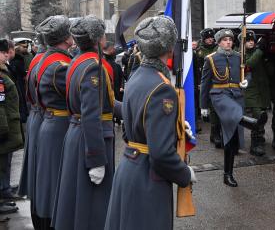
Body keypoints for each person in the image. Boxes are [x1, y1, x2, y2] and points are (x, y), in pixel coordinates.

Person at [104, 16, 196, 230]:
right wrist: (184, 173)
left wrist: (175, 127)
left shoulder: (136, 76)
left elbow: (131, 127)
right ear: (169, 46)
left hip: (130, 166)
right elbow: (161, 154)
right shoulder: (162, 88)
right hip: (147, 178)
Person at [52, 16, 117, 230]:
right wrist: (96, 159)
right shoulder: (93, 67)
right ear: (98, 39)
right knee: (93, 209)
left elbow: (106, 102)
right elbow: (91, 115)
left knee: (79, 204)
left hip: (78, 133)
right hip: (90, 140)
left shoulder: (77, 61)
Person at [200, 29, 266, 187]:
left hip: (236, 95)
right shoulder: (211, 59)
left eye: (230, 39)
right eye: (224, 40)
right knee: (233, 112)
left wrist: (246, 81)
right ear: (218, 42)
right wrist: (203, 107)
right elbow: (205, 83)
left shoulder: (239, 57)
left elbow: (247, 73)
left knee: (231, 137)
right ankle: (253, 123)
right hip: (219, 95)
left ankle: (227, 174)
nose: (228, 42)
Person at [33, 16, 73, 229]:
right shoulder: (60, 66)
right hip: (59, 127)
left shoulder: (47, 60)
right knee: (56, 186)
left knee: (48, 184)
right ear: (66, 38)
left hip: (50, 122)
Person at [17, 35, 46, 227]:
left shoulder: (37, 60)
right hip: (45, 118)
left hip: (38, 117)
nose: (27, 46)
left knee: (39, 178)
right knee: (46, 182)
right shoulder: (54, 64)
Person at [0, 38, 24, 214]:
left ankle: (4, 191)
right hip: (4, 125)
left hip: (8, 122)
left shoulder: (3, 70)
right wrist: (2, 128)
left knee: (4, 162)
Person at [242, 31, 270, 156]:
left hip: (262, 89)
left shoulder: (259, 53)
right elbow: (249, 63)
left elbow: (270, 70)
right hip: (250, 90)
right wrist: (259, 51)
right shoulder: (241, 54)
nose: (251, 42)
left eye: (253, 40)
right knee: (257, 115)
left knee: (262, 115)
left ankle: (260, 137)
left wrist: (267, 57)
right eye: (248, 40)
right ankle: (255, 144)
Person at [194, 28, 222, 147]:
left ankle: (215, 133)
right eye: (208, 38)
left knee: (218, 108)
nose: (210, 40)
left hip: (218, 80)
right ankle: (215, 134)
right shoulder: (199, 52)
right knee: (212, 108)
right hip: (205, 81)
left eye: (212, 38)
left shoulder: (218, 49)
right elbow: (198, 69)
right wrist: (199, 82)